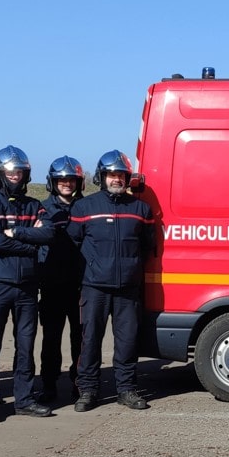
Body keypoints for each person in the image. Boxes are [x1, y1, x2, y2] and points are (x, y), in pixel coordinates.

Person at [68, 150, 156, 412]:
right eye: (111, 174)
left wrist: (131, 268)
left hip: (128, 289)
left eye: (121, 175)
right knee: (90, 341)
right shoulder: (84, 207)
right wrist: (91, 269)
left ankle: (126, 390)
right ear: (101, 176)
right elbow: (73, 242)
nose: (116, 179)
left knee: (127, 342)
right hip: (94, 288)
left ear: (127, 178)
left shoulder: (141, 209)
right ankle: (87, 391)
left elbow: (148, 245)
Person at [0, 146, 55, 422]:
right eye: (10, 171)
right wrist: (30, 245)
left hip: (27, 287)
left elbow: (48, 234)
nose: (14, 176)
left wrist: (17, 232)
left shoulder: (35, 205)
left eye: (19, 172)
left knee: (26, 345)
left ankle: (24, 399)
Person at [36, 156, 85, 404]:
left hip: (80, 285)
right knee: (51, 339)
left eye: (71, 180)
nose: (66, 184)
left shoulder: (86, 208)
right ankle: (48, 385)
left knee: (81, 339)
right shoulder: (42, 208)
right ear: (52, 182)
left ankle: (80, 382)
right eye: (61, 180)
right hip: (52, 285)